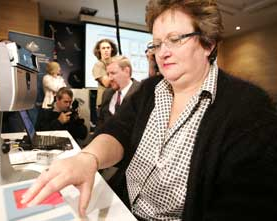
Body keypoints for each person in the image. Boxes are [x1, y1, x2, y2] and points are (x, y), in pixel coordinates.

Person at [21, 1, 277, 220]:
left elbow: (245, 207)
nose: (162, 53)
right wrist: (90, 158)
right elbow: (118, 130)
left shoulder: (249, 108)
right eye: (156, 44)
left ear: (208, 43)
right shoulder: (150, 89)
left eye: (175, 39)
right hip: (119, 206)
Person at [97, 55, 140, 128]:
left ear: (126, 71)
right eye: (108, 74)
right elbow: (100, 124)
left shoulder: (141, 93)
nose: (110, 78)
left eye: (113, 73)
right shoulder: (107, 94)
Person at [90, 39, 118, 130]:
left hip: (116, 102)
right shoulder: (98, 65)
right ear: (99, 51)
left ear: (112, 49)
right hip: (104, 104)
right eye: (103, 48)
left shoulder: (116, 63)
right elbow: (106, 83)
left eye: (108, 48)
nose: (106, 50)